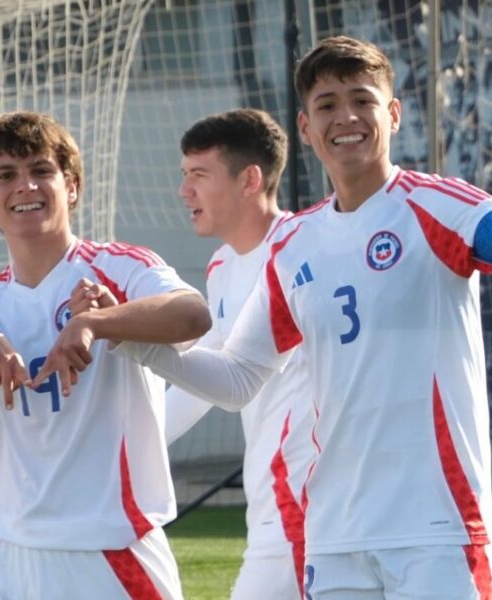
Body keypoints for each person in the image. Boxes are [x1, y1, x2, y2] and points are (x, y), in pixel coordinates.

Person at [111, 36, 492, 599]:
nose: (347, 117)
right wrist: (129, 339)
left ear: (392, 114)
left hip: (435, 527)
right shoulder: (292, 244)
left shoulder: (440, 205)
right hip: (334, 534)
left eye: (362, 100)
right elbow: (239, 378)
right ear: (307, 127)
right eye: (327, 105)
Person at [0, 110, 210, 600]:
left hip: (108, 551)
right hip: (4, 551)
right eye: (6, 176)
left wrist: (96, 322)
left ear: (70, 186)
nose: (25, 187)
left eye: (41, 171)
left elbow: (192, 315)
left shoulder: (119, 267)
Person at [163, 108, 315, 598]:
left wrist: (130, 338)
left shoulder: (306, 250)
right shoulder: (223, 265)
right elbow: (208, 375)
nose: (185, 191)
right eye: (185, 175)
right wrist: (122, 443)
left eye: (199, 176)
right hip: (271, 509)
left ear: (250, 179)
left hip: (312, 509)